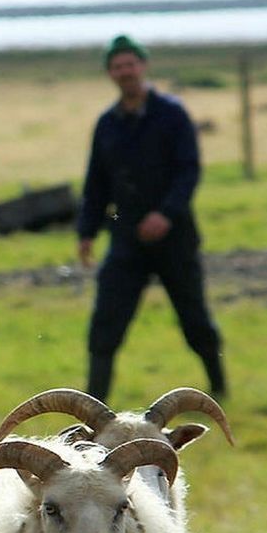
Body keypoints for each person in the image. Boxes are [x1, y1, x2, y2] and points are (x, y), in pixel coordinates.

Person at [76, 34, 227, 402]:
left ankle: (220, 387)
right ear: (110, 74)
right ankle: (94, 404)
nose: (124, 72)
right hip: (126, 237)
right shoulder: (107, 124)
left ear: (143, 67)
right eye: (117, 67)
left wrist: (166, 214)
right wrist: (87, 232)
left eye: (130, 64)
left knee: (194, 318)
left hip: (174, 236)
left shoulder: (171, 114)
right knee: (106, 321)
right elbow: (96, 181)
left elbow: (188, 171)